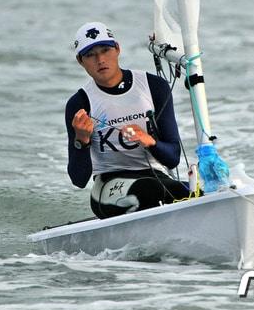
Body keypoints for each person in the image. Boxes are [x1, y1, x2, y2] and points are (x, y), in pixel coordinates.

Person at [65, 21, 189, 218]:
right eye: (90, 55)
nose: (100, 60)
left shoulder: (153, 87)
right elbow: (79, 179)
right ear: (81, 61)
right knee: (153, 191)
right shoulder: (80, 104)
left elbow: (172, 158)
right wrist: (81, 140)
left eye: (105, 50)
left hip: (157, 178)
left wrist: (149, 141)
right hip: (107, 187)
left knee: (191, 192)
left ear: (117, 49)